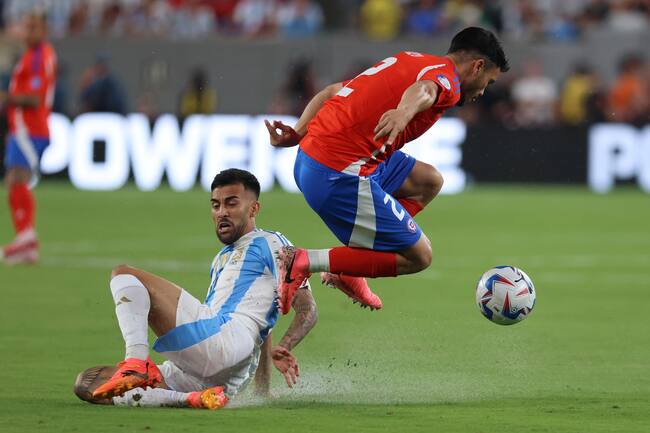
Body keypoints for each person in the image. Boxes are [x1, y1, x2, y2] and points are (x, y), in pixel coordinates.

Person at [265, 27, 508, 314]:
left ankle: (352, 268)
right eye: (488, 82)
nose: (482, 91)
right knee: (419, 256)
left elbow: (332, 92)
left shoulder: (409, 60)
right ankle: (303, 261)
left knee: (428, 181)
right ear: (478, 66)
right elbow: (425, 91)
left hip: (312, 158)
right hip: (337, 174)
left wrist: (298, 132)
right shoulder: (449, 81)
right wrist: (404, 112)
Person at [74, 169, 318, 409]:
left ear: (254, 208)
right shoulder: (222, 259)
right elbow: (263, 320)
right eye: (215, 205)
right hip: (219, 376)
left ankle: (136, 361)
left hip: (224, 343)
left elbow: (308, 309)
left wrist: (285, 346)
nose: (222, 212)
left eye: (231, 204)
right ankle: (192, 398)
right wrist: (262, 391)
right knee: (90, 385)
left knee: (123, 274)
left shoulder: (271, 242)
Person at [1, 11, 57, 265]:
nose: (27, 32)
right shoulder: (32, 56)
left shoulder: (38, 58)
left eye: (33, 28)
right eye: (26, 27)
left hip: (31, 127)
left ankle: (26, 237)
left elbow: (34, 99)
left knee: (16, 179)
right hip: (23, 127)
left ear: (44, 31)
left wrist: (6, 98)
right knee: (14, 180)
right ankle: (26, 241)